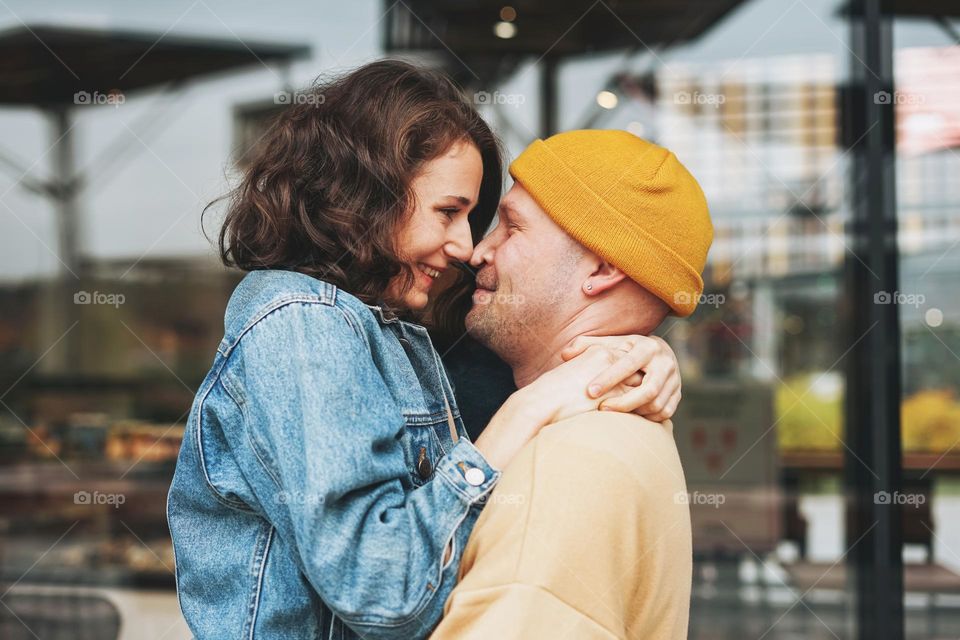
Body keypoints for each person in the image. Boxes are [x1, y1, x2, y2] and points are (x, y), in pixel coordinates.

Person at [167, 62, 682, 640]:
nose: (467, 246)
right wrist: (527, 412)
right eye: (449, 211)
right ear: (368, 194)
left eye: (485, 220)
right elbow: (381, 594)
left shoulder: (388, 331)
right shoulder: (300, 320)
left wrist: (640, 349)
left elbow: (535, 335)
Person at [430, 129, 714, 639]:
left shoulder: (567, 462)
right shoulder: (620, 427)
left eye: (512, 228)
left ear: (603, 268)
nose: (477, 251)